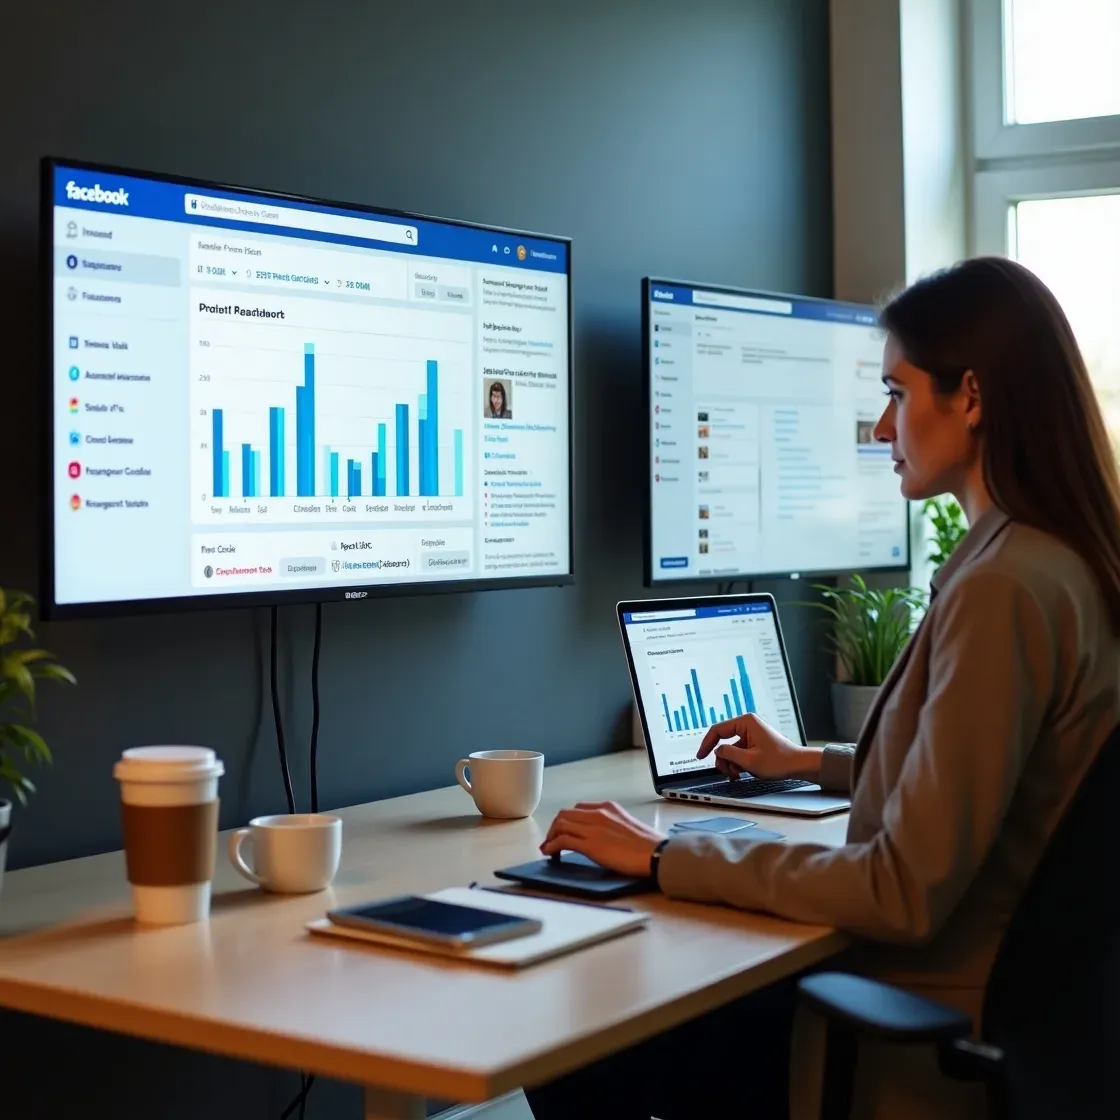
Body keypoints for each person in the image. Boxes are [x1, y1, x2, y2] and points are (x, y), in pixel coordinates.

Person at [527, 258, 1120, 1120]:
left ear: (972, 397)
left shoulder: (1006, 586)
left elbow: (899, 888)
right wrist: (808, 761)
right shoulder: (1057, 561)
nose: (882, 428)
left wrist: (662, 856)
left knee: (578, 1038)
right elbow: (996, 778)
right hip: (1021, 1008)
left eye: (896, 392)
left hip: (923, 1007)